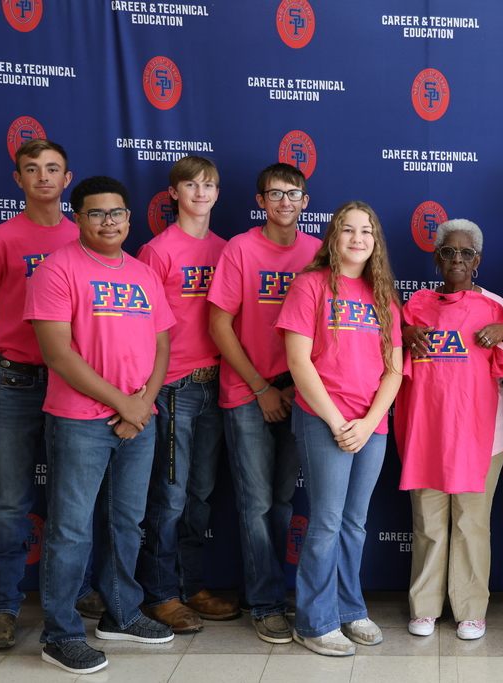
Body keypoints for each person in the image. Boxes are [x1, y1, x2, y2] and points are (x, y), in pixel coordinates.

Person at [25, 176, 177, 674]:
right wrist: (123, 404)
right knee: (70, 530)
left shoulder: (143, 273)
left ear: (129, 219)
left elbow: (161, 346)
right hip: (79, 421)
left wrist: (143, 404)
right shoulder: (56, 270)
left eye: (116, 214)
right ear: (79, 218)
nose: (108, 222)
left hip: (139, 418)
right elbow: (58, 354)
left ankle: (121, 613)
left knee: (126, 523)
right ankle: (60, 634)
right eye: (96, 214)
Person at [0, 139, 102, 651]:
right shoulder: (2, 238)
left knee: (75, 498)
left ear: (68, 180)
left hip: (75, 381)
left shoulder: (84, 233)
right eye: (32, 169)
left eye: (53, 169)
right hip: (20, 380)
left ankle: (79, 589)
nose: (43, 177)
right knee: (10, 500)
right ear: (17, 179)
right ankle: (0, 605)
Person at [278, 201, 402, 656]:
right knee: (327, 521)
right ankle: (314, 621)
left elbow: (394, 370)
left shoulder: (383, 295)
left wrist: (369, 423)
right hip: (323, 419)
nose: (357, 239)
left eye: (366, 231)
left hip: (371, 424)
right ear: (333, 237)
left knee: (354, 522)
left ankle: (350, 609)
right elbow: (298, 361)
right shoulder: (311, 286)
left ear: (375, 241)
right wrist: (337, 421)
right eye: (347, 230)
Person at [207, 163, 320, 643]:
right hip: (247, 392)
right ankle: (266, 602)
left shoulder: (318, 252)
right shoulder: (240, 249)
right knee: (254, 503)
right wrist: (260, 387)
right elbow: (218, 325)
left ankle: (274, 589)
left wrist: (294, 388)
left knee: (280, 501)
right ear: (261, 201)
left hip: (299, 393)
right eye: (275, 194)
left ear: (306, 201)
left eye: (294, 194)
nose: (285, 202)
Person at [396, 219, 503, 641]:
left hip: (482, 434)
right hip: (428, 431)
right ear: (436, 258)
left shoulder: (495, 305)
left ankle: (469, 609)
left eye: (466, 253)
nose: (457, 260)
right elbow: (390, 355)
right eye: (448, 252)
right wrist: (403, 332)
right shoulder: (415, 303)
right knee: (428, 521)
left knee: (471, 522)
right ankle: (425, 606)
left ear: (478, 261)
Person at [135, 156, 237, 633]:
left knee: (199, 494)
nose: (201, 191)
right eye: (191, 184)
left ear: (218, 193)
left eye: (209, 184)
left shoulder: (228, 249)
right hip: (174, 386)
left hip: (218, 383)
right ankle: (160, 594)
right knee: (170, 497)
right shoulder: (157, 252)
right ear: (173, 192)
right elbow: (140, 328)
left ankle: (190, 584)